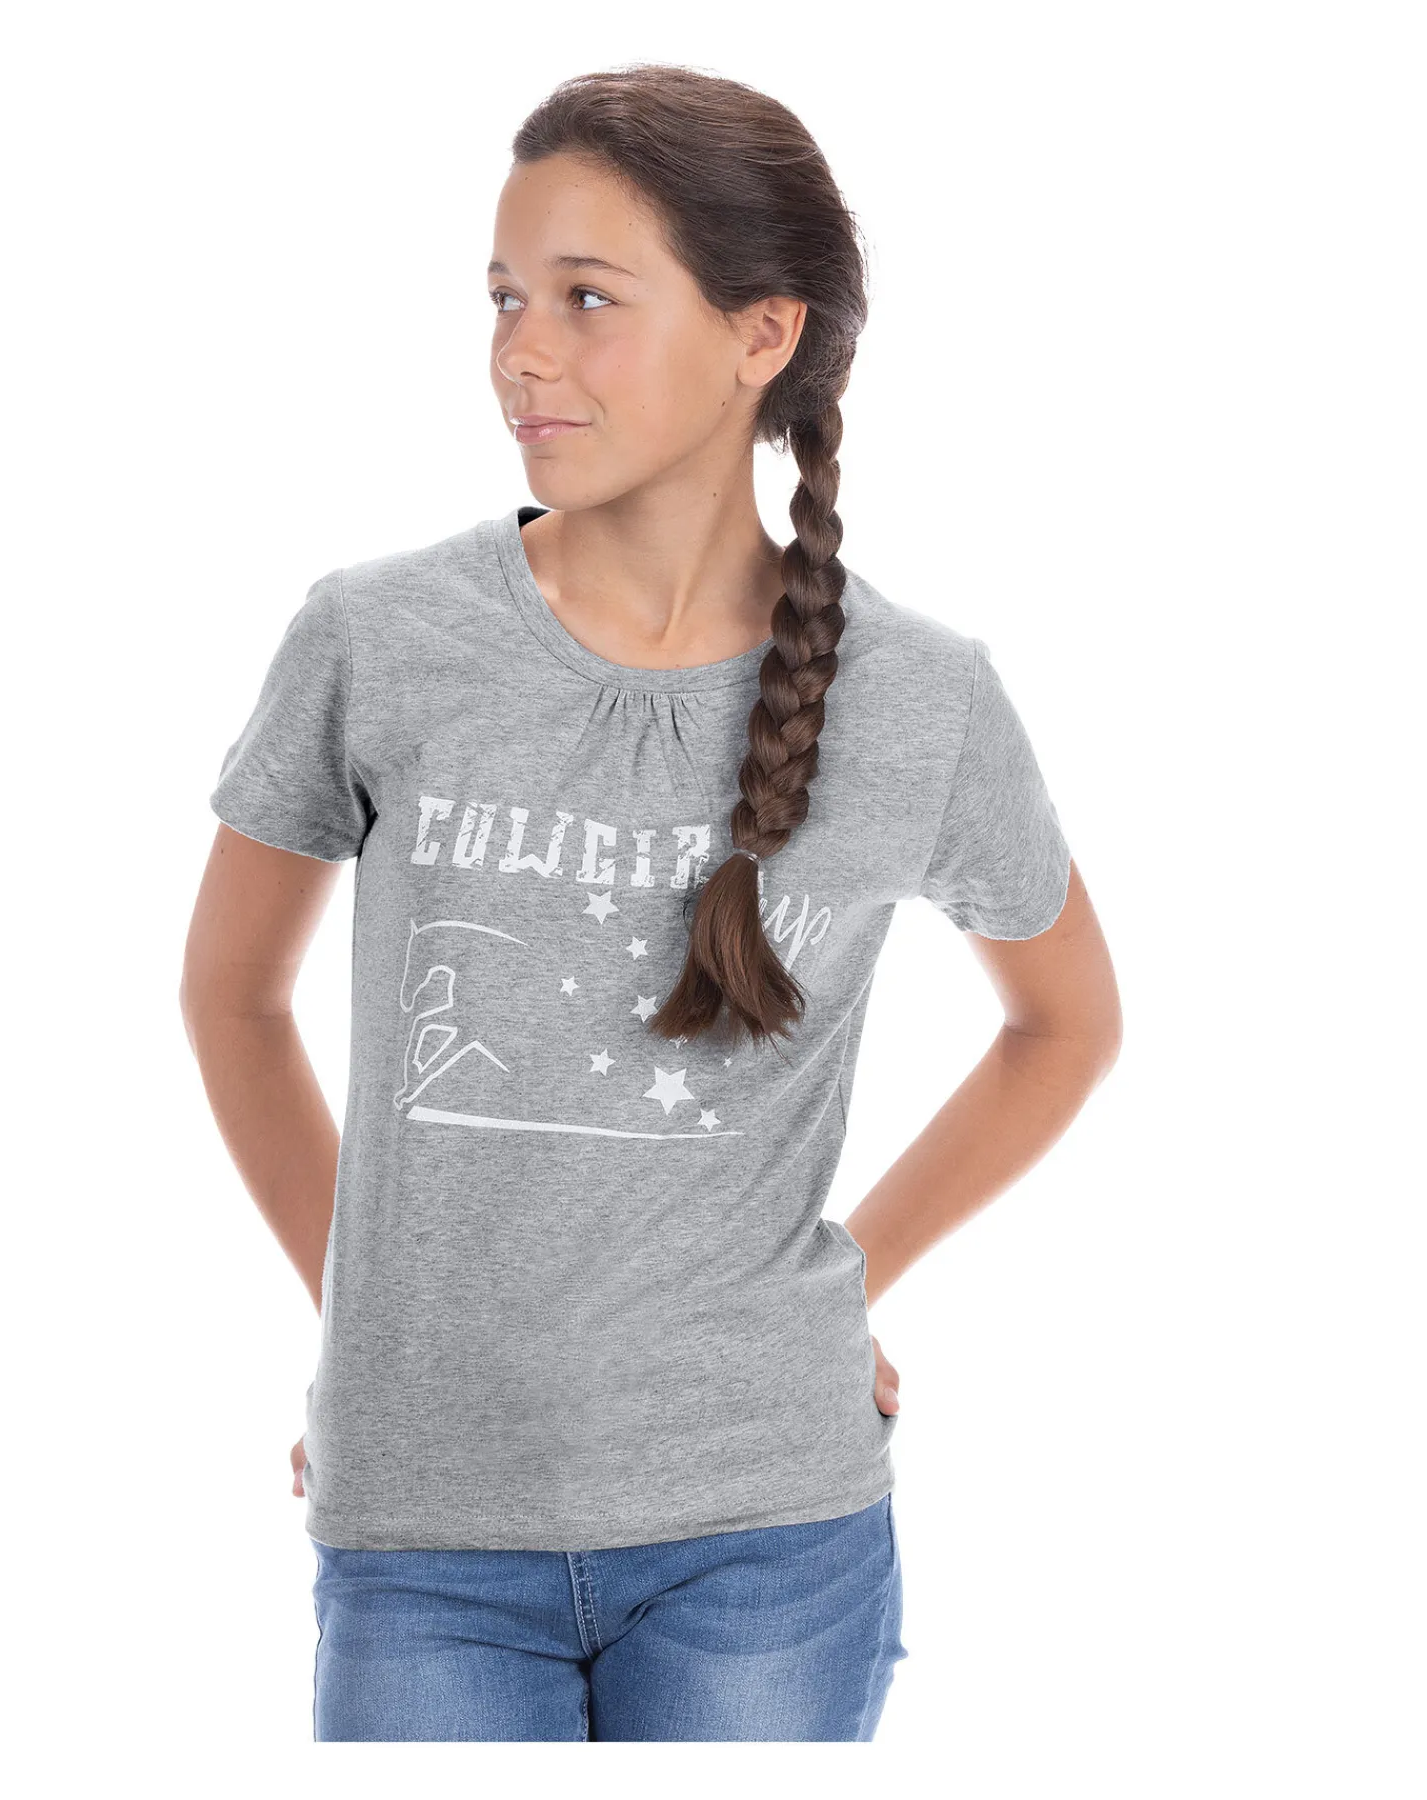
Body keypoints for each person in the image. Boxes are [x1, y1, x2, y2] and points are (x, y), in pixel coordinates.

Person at [180, 63, 1122, 1744]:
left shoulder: (921, 698)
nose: (519, 352)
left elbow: (1064, 1025)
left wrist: (851, 1280)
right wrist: (374, 1320)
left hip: (769, 1534)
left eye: (587, 299)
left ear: (761, 334)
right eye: (502, 298)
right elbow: (231, 998)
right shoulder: (378, 638)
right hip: (426, 1536)